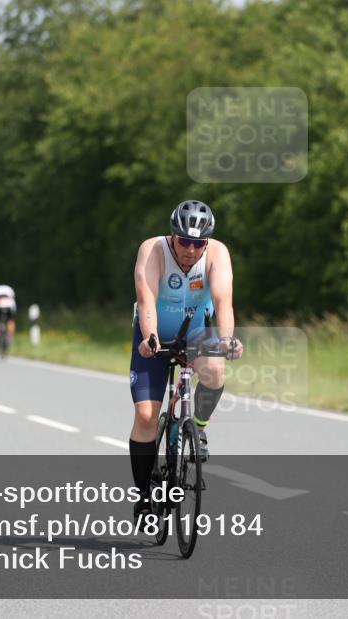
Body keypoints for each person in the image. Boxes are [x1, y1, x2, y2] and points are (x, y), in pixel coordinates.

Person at [128, 200, 243, 518]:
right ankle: (144, 495)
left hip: (196, 332)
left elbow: (223, 301)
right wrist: (150, 336)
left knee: (215, 370)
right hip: (153, 335)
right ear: (172, 235)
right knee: (147, 416)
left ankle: (198, 428)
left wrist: (226, 339)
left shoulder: (217, 253)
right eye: (185, 241)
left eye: (198, 243)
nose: (191, 249)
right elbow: (146, 297)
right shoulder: (152, 249)